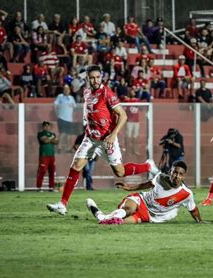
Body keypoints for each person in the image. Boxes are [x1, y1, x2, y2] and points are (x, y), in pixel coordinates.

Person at [46, 65, 159, 216]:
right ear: (88, 78)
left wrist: (113, 135)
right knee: (76, 165)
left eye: (97, 77)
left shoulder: (107, 93)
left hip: (107, 139)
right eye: (92, 77)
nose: (95, 80)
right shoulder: (86, 92)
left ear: (101, 77)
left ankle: (147, 166)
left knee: (120, 172)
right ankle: (63, 204)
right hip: (91, 138)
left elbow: (123, 115)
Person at [86, 160, 203, 225]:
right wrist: (129, 188)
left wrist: (200, 222)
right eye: (174, 172)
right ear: (170, 172)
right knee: (128, 210)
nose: (176, 176)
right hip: (140, 200)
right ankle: (104, 217)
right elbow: (147, 184)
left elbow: (193, 210)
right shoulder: (161, 177)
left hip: (148, 216)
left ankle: (102, 217)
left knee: (120, 222)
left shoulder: (187, 194)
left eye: (180, 174)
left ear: (184, 176)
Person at [53, 84, 77, 152]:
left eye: (68, 89)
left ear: (69, 90)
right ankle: (59, 148)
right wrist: (57, 114)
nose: (66, 90)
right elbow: (55, 105)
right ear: (63, 90)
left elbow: (74, 106)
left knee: (69, 134)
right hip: (62, 118)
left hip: (70, 119)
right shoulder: (60, 97)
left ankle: (68, 148)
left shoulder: (71, 98)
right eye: (65, 89)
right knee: (62, 133)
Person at [36, 121, 58, 192]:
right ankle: (39, 187)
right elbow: (45, 141)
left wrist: (49, 139)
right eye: (45, 126)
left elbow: (56, 141)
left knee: (52, 171)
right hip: (44, 155)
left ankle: (51, 187)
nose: (47, 127)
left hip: (51, 155)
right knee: (42, 171)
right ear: (43, 127)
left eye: (48, 126)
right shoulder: (40, 134)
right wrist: (51, 139)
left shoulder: (52, 134)